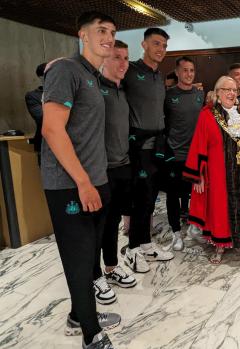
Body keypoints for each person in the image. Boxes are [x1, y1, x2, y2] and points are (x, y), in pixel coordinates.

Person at [41, 11, 120, 349]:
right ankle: (90, 332)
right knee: (78, 257)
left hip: (95, 179)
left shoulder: (92, 76)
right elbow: (52, 129)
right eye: (101, 30)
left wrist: (97, 181)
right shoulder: (65, 70)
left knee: (90, 257)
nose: (109, 37)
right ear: (82, 35)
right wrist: (84, 183)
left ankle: (79, 313)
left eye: (113, 32)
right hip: (70, 184)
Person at [184, 76, 240, 264]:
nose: (232, 93)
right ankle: (219, 245)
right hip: (220, 175)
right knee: (221, 210)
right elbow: (199, 144)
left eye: (234, 90)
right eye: (227, 90)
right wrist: (197, 175)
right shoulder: (207, 114)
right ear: (218, 93)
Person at [122, 27, 174, 273]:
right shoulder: (130, 70)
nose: (161, 49)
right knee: (138, 201)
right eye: (156, 44)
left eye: (164, 45)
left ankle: (145, 244)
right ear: (143, 45)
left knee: (151, 200)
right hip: (137, 147)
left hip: (157, 148)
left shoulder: (159, 75)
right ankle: (131, 251)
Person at [90, 40, 137, 307]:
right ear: (104, 59)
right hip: (100, 170)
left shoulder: (122, 91)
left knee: (113, 222)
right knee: (97, 226)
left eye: (126, 58)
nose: (122, 63)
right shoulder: (95, 88)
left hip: (122, 166)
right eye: (116, 57)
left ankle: (111, 267)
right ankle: (94, 275)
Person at [164, 56, 204, 250]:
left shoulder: (200, 95)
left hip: (195, 155)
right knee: (173, 195)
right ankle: (175, 232)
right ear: (177, 72)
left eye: (191, 70)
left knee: (196, 193)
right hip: (175, 154)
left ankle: (194, 228)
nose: (189, 74)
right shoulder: (168, 95)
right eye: (185, 70)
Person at [25, 62, 47, 156]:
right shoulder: (33, 96)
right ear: (41, 77)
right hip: (46, 144)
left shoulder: (68, 92)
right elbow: (42, 118)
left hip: (73, 143)